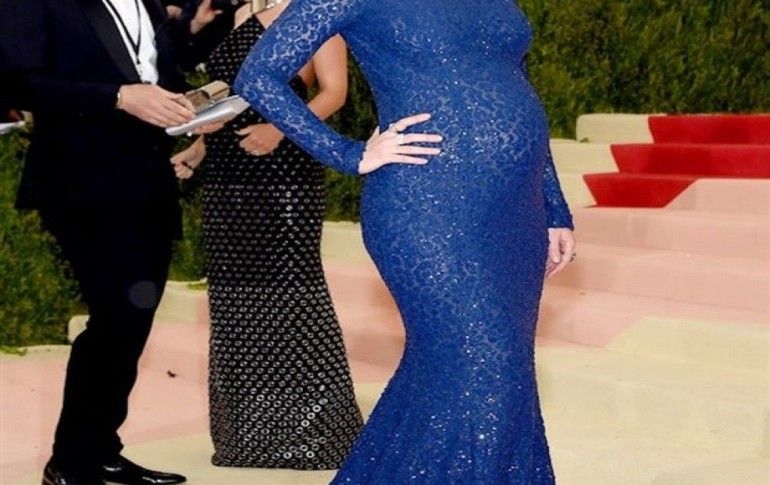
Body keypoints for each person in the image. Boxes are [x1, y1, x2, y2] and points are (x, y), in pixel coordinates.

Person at [234, 0, 577, 482]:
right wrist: (348, 153)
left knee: (488, 369)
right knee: (488, 362)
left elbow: (517, 86)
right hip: (425, 205)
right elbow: (258, 76)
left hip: (515, 212)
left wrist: (554, 206)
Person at [0, 0, 198, 483]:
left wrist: (192, 109)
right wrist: (118, 97)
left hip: (148, 180)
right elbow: (17, 84)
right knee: (116, 317)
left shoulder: (149, 2)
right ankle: (70, 462)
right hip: (80, 182)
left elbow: (157, 74)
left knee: (134, 320)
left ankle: (101, 449)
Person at [169, 0, 363, 469]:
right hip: (226, 174)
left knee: (293, 295)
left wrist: (279, 130)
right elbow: (229, 97)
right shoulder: (235, 17)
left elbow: (334, 93)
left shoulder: (313, 14)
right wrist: (198, 147)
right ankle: (249, 436)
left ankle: (318, 434)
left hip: (285, 172)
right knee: (235, 299)